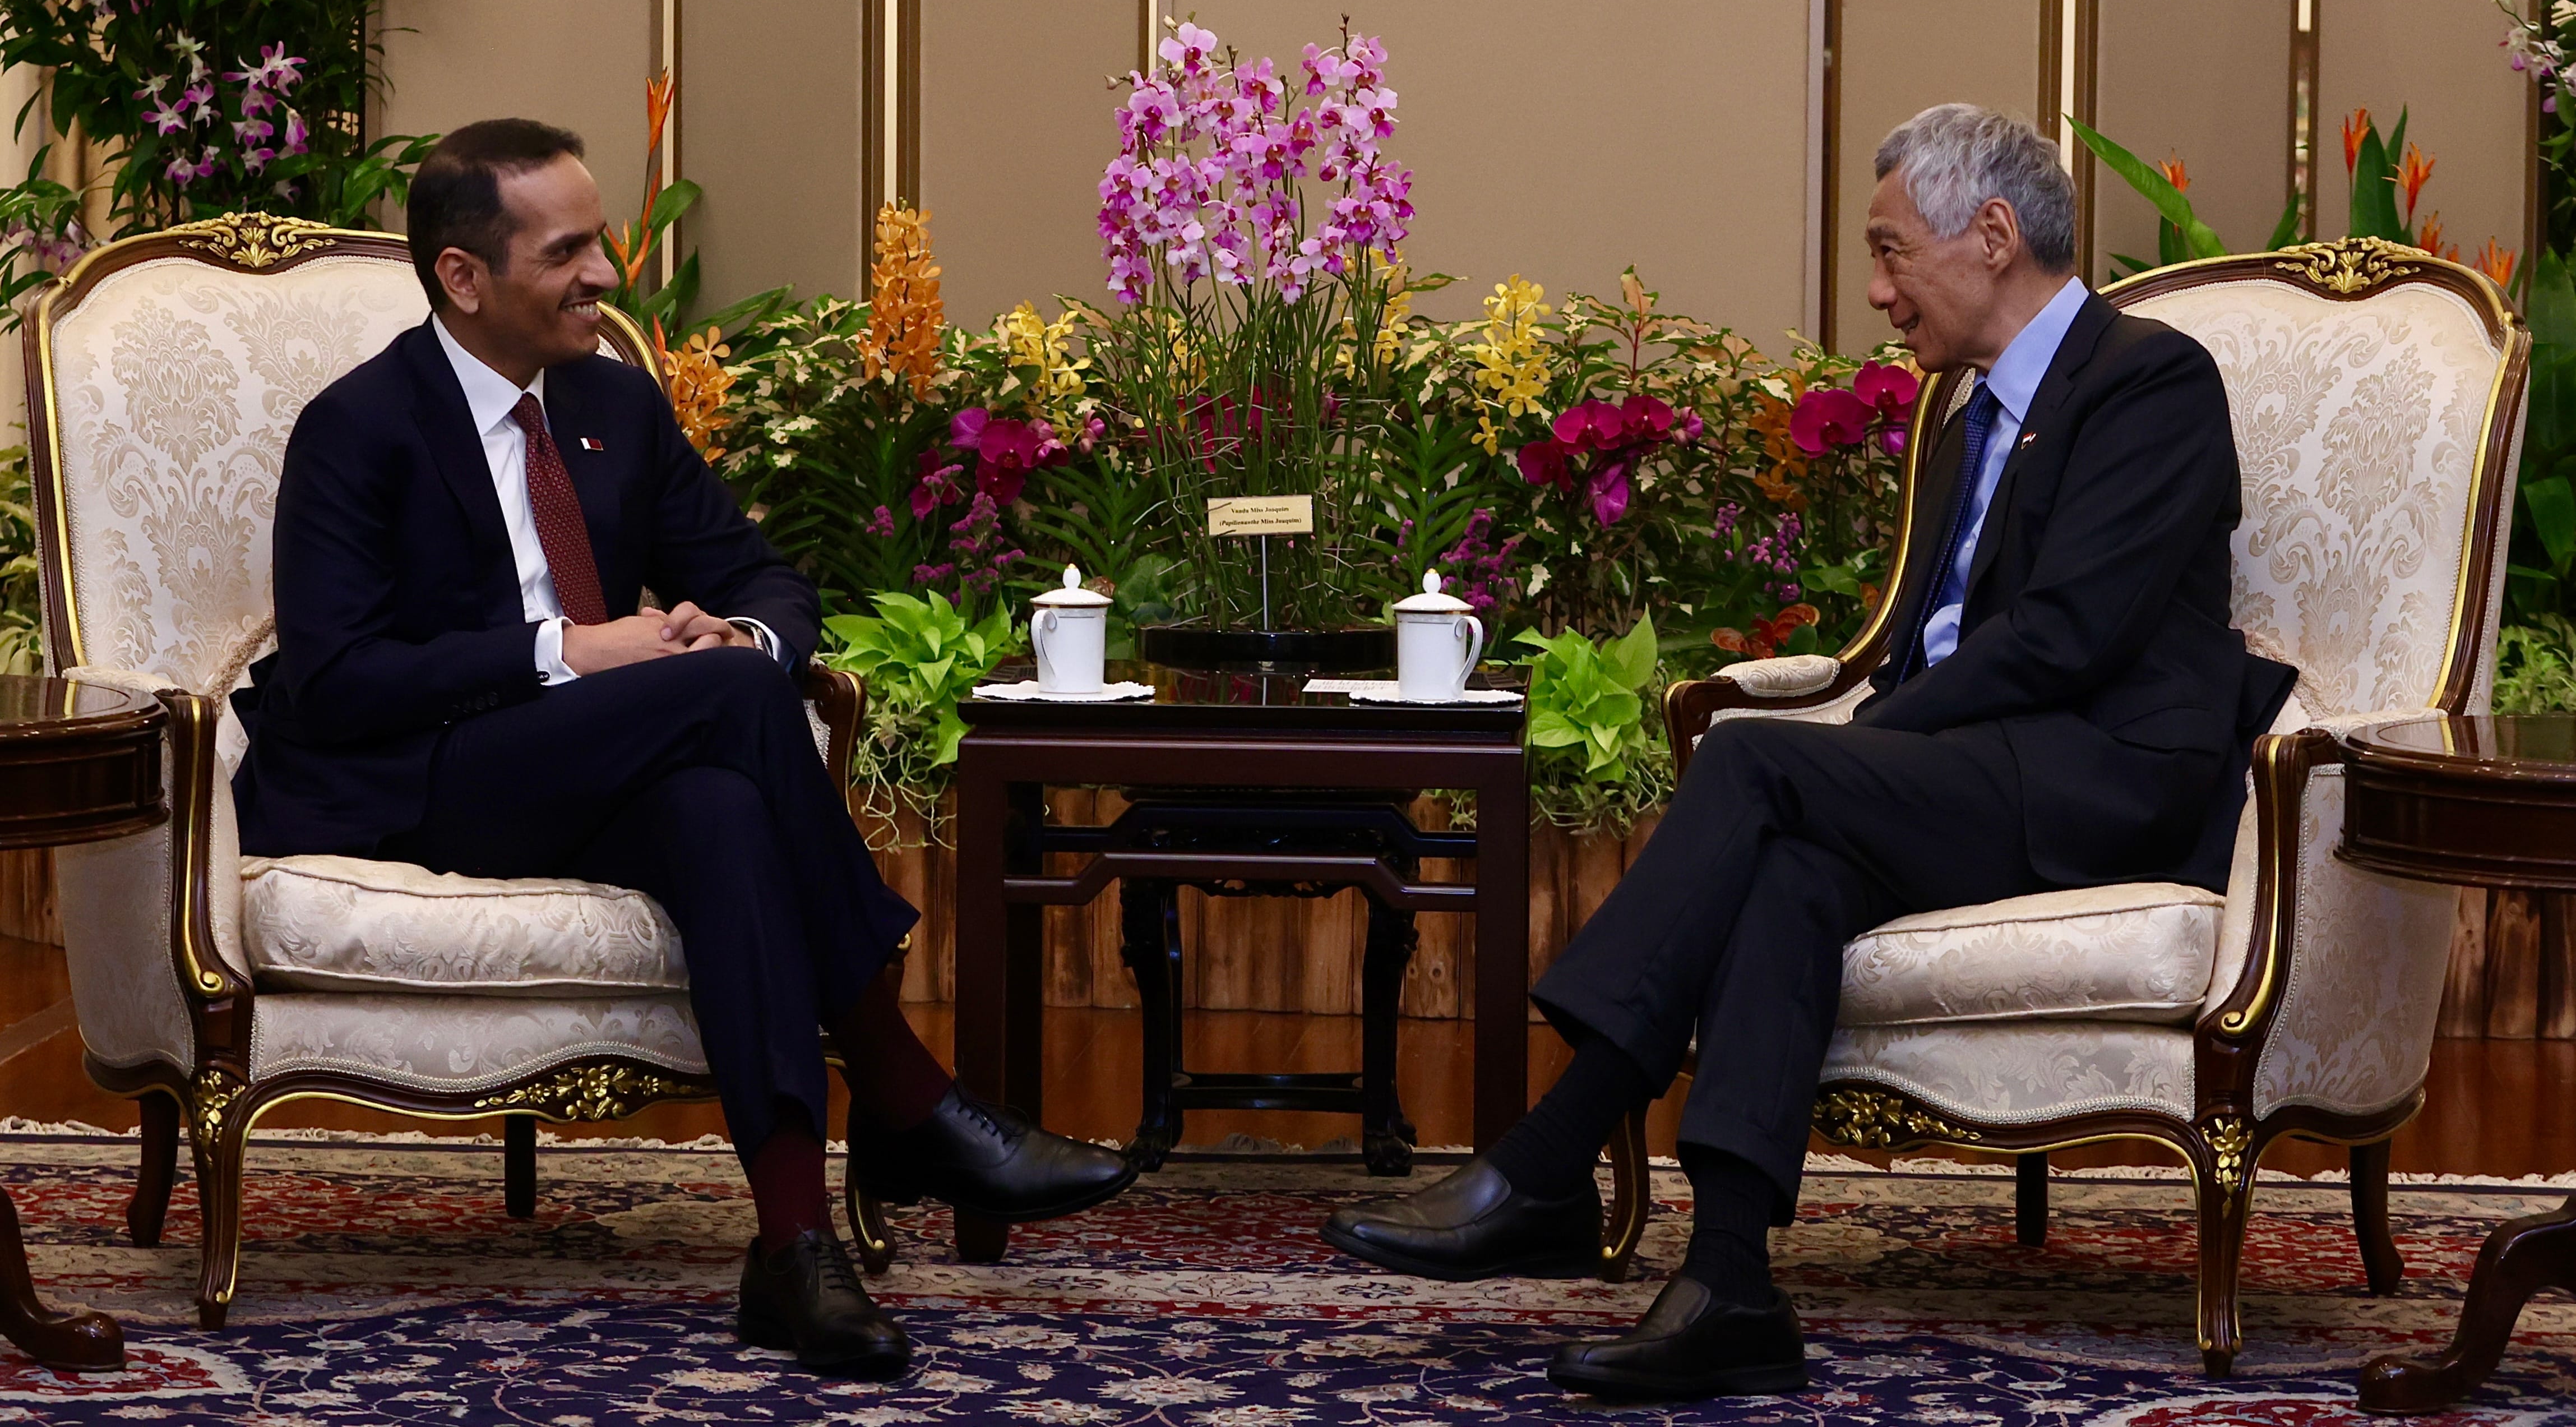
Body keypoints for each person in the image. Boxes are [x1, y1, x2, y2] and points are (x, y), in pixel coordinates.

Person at [1321, 104, 2296, 1401]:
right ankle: (1730, 1280)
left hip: (2103, 776)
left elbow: (2068, 635)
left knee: (1755, 764)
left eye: (1892, 252)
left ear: (1993, 233)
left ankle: (1552, 1153)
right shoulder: (1965, 414)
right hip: (1975, 778)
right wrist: (1867, 746)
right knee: (1793, 869)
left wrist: (1859, 741)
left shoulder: (2148, 380)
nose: (1879, 292)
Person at [231, 119, 1134, 1379]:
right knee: (726, 706)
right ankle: (904, 1089)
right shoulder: (359, 426)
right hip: (418, 782)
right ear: (463, 277)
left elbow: (767, 579)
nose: (605, 275)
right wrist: (562, 649)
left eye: (598, 242)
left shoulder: (611, 404)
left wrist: (738, 631)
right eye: (568, 252)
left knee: (721, 803)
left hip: (590, 770)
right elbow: (335, 682)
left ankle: (795, 1248)